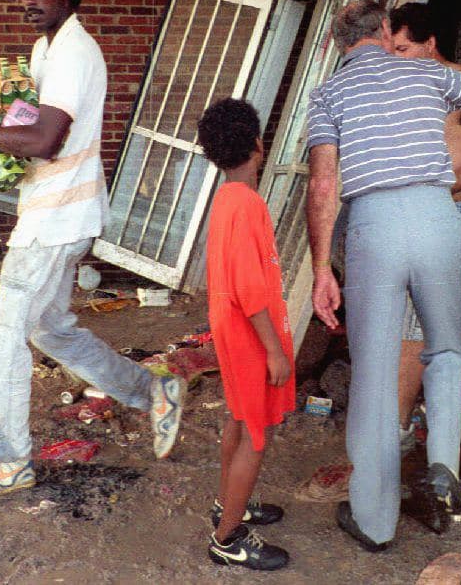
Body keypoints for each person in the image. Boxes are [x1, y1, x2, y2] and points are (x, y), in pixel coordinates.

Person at [0, 0, 185, 501]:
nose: (27, 0)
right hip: (53, 212)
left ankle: (10, 464)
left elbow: (46, 141)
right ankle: (154, 393)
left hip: (56, 220)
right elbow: (25, 132)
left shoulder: (75, 51)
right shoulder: (43, 49)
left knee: (1, 342)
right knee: (48, 329)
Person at [305, 1, 461, 549]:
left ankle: (375, 522)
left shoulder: (328, 94)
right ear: (386, 30)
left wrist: (320, 269)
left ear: (337, 44)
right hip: (437, 214)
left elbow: (323, 187)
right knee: (446, 347)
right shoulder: (432, 74)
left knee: (375, 373)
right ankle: (442, 465)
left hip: (374, 225)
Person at [387, 3, 461, 446]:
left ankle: (397, 428)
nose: (395, 58)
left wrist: (442, 187)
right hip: (417, 214)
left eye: (402, 49)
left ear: (431, 43)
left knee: (418, 313)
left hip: (456, 213)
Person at [197, 98, 294, 571]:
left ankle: (229, 504)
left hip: (232, 330)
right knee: (255, 435)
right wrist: (274, 349)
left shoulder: (226, 199)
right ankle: (227, 538)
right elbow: (249, 289)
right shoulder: (247, 203)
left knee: (239, 420)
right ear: (258, 143)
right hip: (249, 336)